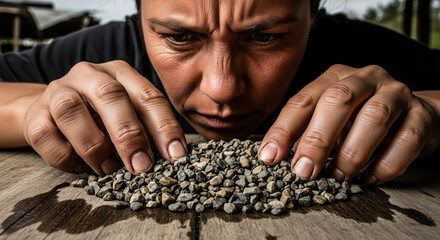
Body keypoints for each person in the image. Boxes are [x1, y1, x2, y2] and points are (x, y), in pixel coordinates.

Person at [0, 0, 439, 186]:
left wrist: (431, 114)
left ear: (313, 14)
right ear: (139, 15)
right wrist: (30, 109)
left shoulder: (367, 55)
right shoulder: (107, 49)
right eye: (178, 37)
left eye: (265, 37)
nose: (221, 88)